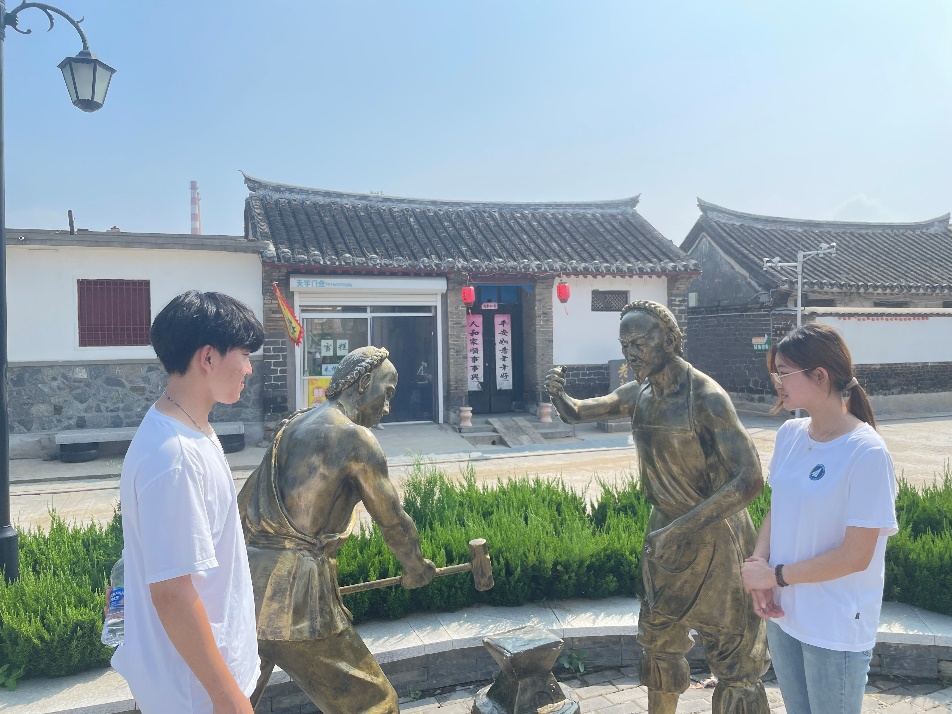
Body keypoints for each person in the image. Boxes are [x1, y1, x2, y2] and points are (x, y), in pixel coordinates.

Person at [545, 300, 769, 714]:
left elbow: (750, 479)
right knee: (659, 645)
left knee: (736, 664)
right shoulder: (639, 393)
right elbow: (577, 412)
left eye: (640, 342)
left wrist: (678, 531)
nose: (631, 352)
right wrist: (558, 395)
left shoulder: (706, 397)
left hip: (715, 537)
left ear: (669, 340)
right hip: (664, 537)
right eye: (624, 344)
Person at [239, 346, 436, 714]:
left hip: (248, 591)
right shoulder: (355, 439)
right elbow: (393, 520)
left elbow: (242, 508)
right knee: (374, 703)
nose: (387, 408)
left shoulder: (290, 426)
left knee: (230, 703)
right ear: (363, 382)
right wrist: (415, 566)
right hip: (298, 600)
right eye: (387, 393)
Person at [112, 291, 264, 714]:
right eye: (244, 355)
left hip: (199, 683)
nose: (249, 368)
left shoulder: (191, 429)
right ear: (208, 357)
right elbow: (173, 592)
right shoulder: (174, 457)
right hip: (194, 694)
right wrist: (226, 696)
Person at [741, 323, 898, 714]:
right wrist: (758, 566)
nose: (777, 382)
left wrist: (775, 576)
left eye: (783, 372)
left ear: (820, 375)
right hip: (784, 615)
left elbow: (856, 555)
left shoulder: (866, 452)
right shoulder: (790, 434)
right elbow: (779, 507)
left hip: (835, 623)